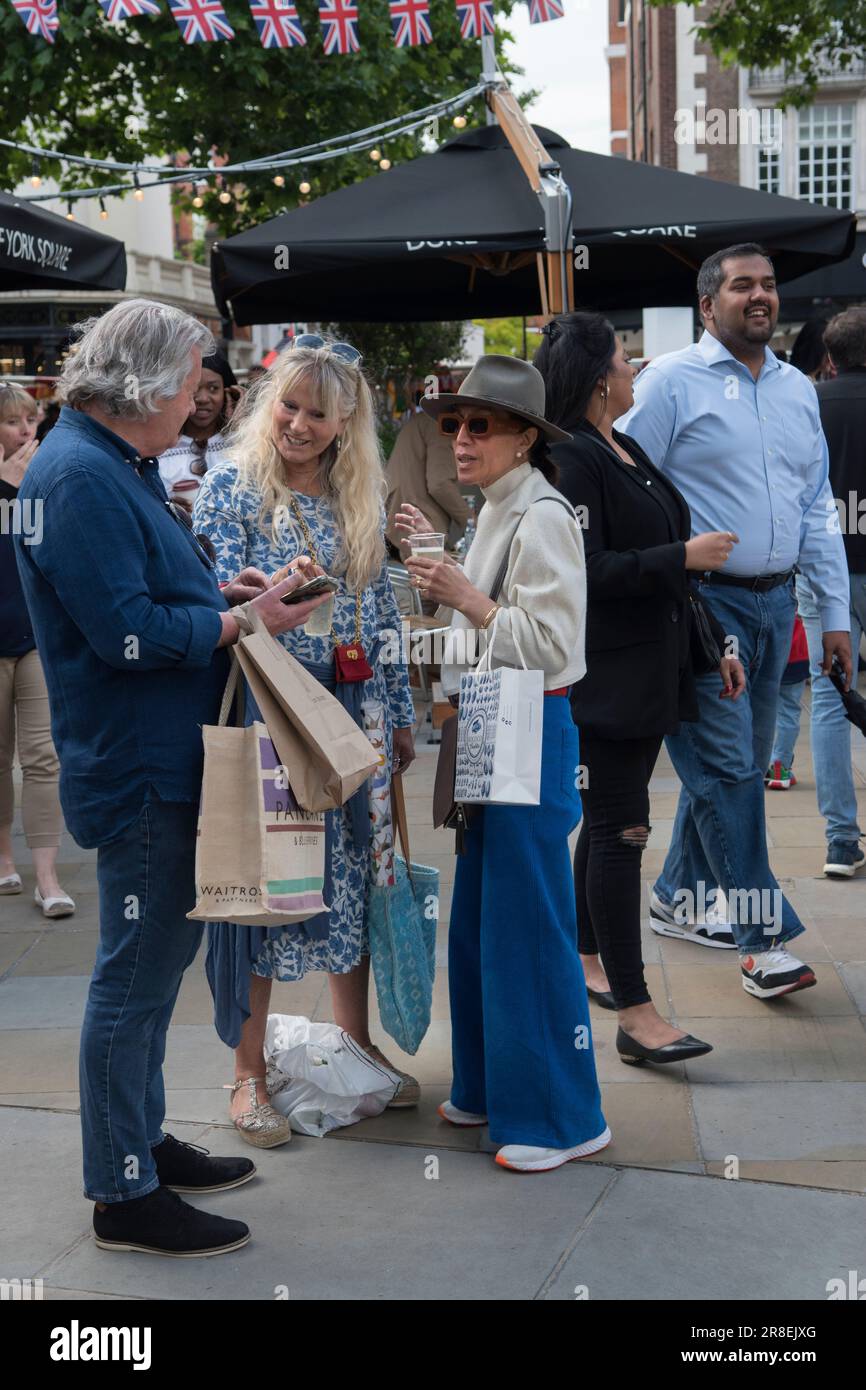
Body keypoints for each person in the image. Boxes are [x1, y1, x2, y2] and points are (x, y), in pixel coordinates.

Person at [14, 299, 330, 1258]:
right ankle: (121, 1192)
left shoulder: (105, 463)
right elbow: (126, 633)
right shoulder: (81, 474)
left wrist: (226, 597)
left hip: (159, 755)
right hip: (141, 762)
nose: (202, 403)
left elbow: (148, 600)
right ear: (145, 383)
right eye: (194, 384)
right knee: (136, 978)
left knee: (153, 972)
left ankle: (138, 1146)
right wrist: (243, 624)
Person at [193, 332, 420, 1148]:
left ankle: (357, 1052)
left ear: (344, 421)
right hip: (268, 716)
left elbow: (383, 617)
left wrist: (396, 716)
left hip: (352, 715)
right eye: (288, 406)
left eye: (317, 414)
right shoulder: (231, 489)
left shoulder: (359, 495)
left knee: (353, 886)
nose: (297, 425)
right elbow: (201, 595)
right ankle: (247, 1076)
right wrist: (240, 593)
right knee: (266, 895)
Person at [618, 243, 851, 999]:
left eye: (770, 285)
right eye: (742, 286)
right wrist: (668, 566)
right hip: (703, 606)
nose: (761, 296)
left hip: (777, 602)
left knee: (733, 771)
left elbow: (816, 507)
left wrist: (834, 615)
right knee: (727, 772)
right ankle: (761, 937)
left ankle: (678, 897)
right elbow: (628, 487)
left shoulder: (796, 390)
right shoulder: (669, 383)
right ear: (707, 304)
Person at [398, 354, 610, 1173]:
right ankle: (490, 1088)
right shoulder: (495, 508)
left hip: (533, 721)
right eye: (454, 423)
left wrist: (465, 595)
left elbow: (554, 647)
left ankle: (562, 1116)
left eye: (479, 424)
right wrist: (438, 578)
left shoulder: (544, 514)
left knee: (529, 920)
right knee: (487, 915)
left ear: (525, 438)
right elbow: (473, 641)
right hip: (492, 719)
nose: (459, 437)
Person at [534, 313, 747, 1065]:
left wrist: (712, 639)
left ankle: (588, 961)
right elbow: (584, 575)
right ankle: (635, 1013)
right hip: (606, 682)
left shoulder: (624, 449)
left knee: (604, 826)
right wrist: (680, 554)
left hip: (648, 672)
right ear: (600, 379)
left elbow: (666, 569)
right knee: (623, 833)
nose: (635, 370)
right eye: (626, 360)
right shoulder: (573, 458)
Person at [791, 306, 866, 875]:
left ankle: (842, 840)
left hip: (824, 568)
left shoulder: (809, 403)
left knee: (830, 697)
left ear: (830, 357)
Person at [0, 383, 74, 916]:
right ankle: (4, 859)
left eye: (30, 421)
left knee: (43, 758)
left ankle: (47, 876)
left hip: (34, 635)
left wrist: (25, 493)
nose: (27, 432)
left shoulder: (43, 477)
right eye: (12, 422)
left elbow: (47, 548)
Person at [385, 393, 470, 557]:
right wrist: (472, 521)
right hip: (415, 522)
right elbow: (440, 484)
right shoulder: (441, 425)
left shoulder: (425, 421)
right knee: (424, 576)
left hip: (396, 518)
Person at [157, 349, 237, 511]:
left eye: (213, 388)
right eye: (193, 389)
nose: (202, 399)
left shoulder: (241, 446)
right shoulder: (160, 447)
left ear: (228, 392)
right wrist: (166, 507)